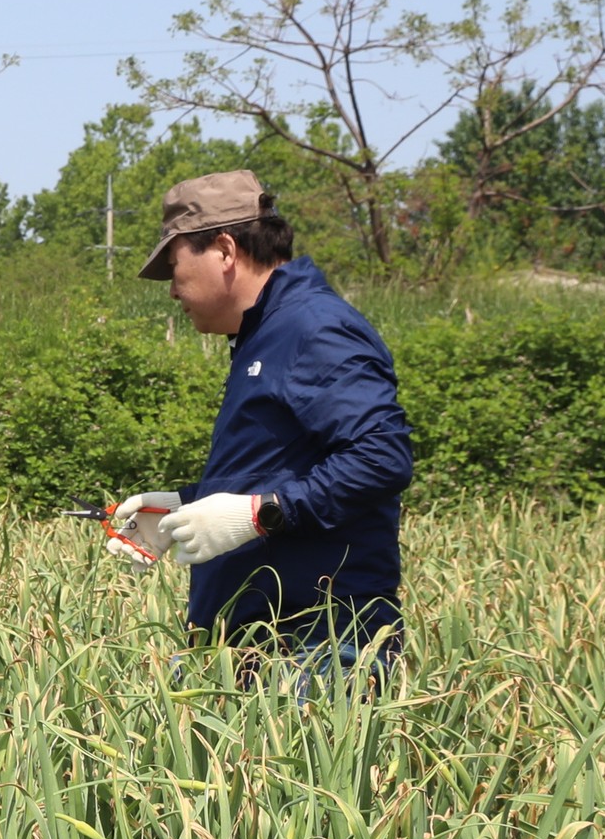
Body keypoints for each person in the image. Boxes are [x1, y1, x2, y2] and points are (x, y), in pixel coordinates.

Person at [115, 172, 414, 685]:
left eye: (175, 265)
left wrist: (260, 513)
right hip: (252, 647)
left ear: (225, 249)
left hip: (315, 649)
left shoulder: (313, 327)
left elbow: (380, 457)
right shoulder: (265, 335)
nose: (171, 290)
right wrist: (183, 504)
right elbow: (280, 466)